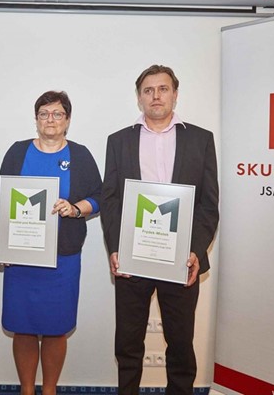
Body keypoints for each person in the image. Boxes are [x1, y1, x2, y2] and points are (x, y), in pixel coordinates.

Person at [101, 65, 219, 395]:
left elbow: (209, 204)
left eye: (163, 89)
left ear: (175, 94)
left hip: (182, 260)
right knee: (127, 345)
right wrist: (116, 247)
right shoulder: (119, 141)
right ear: (139, 97)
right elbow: (110, 200)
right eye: (148, 90)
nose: (156, 96)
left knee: (181, 346)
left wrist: (195, 250)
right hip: (132, 260)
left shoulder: (201, 140)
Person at [0, 91, 102, 395]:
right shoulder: (18, 152)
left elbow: (99, 196)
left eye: (57, 113)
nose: (50, 119)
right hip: (22, 257)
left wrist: (75, 208)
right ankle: (27, 390)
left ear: (67, 119)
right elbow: (2, 199)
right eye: (44, 113)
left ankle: (50, 389)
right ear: (36, 118)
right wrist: (2, 239)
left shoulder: (80, 155)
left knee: (56, 328)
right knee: (23, 326)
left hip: (62, 258)